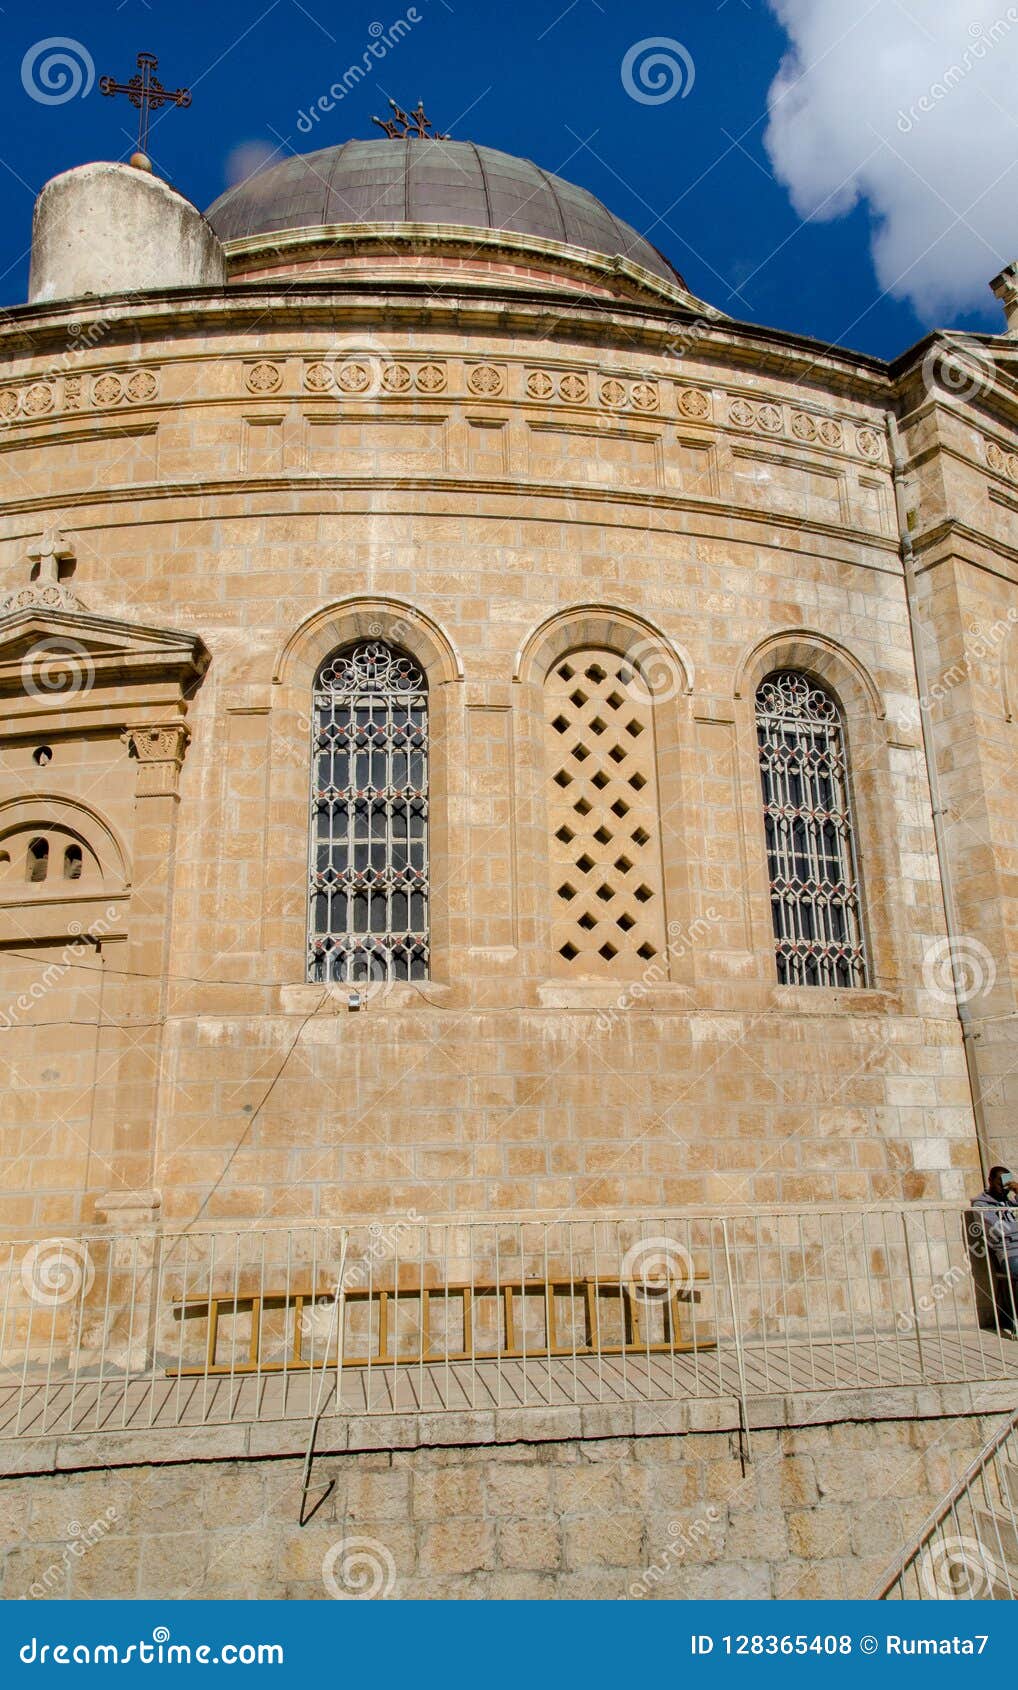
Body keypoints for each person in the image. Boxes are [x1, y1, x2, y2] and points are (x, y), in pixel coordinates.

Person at [972, 1167, 1018, 1336]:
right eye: (1000, 1184)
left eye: (1007, 1184)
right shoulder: (981, 1205)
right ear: (990, 1181)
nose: (1004, 1188)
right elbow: (999, 1230)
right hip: (1009, 1252)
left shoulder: (1010, 1202)